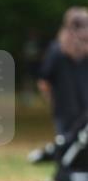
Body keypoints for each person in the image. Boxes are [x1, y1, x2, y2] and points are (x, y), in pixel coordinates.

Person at [37, 7, 88, 138]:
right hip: (65, 113)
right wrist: (53, 101)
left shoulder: (56, 50)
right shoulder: (56, 52)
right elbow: (44, 82)